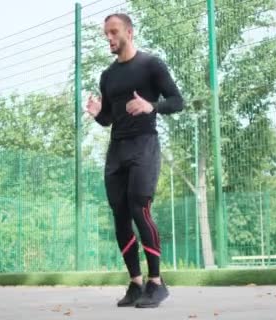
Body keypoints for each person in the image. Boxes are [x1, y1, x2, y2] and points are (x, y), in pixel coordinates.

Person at [86, 13, 185, 308]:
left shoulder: (151, 65)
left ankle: (156, 283)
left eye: (114, 32)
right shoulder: (108, 75)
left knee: (139, 208)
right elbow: (108, 119)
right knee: (119, 215)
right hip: (116, 150)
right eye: (106, 33)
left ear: (129, 32)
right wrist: (96, 113)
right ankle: (135, 283)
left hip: (144, 146)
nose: (109, 38)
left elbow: (177, 101)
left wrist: (150, 106)